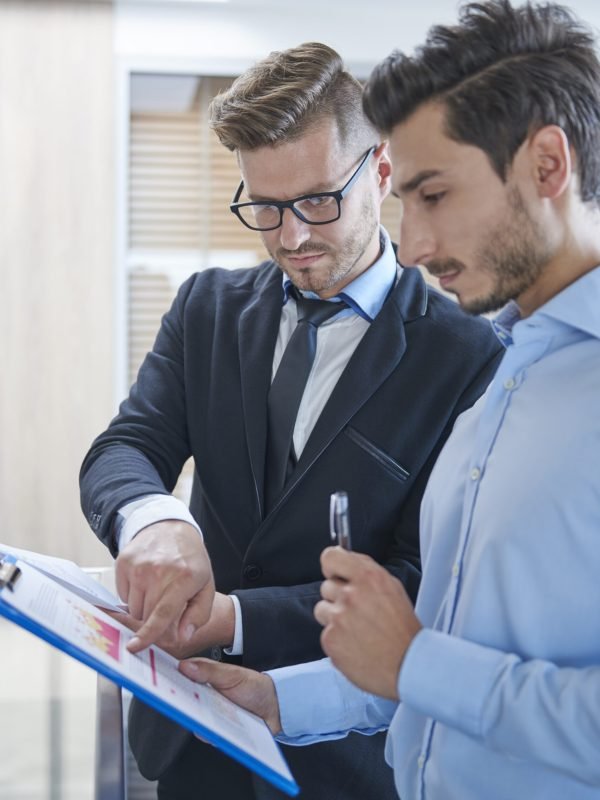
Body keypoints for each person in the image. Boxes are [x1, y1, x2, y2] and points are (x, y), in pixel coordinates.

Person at [179, 2, 600, 798]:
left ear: (548, 166)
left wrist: (415, 662)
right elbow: (428, 657)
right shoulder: (504, 383)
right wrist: (282, 700)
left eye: (433, 195)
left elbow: (424, 662)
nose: (409, 248)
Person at [80, 42, 502, 800]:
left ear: (379, 171)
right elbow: (126, 448)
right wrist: (154, 524)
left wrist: (233, 619)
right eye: (264, 208)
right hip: (187, 742)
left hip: (342, 762)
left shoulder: (469, 356)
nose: (290, 238)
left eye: (315, 201)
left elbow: (420, 584)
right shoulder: (205, 308)